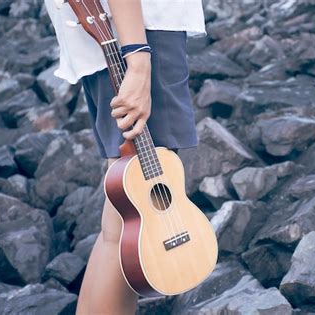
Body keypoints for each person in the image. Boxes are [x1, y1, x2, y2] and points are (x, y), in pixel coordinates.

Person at [44, 0, 206, 313]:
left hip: (123, 29)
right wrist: (138, 58)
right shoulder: (137, 47)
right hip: (138, 31)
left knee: (121, 222)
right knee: (134, 218)